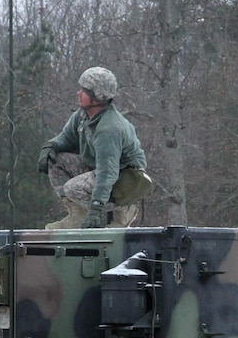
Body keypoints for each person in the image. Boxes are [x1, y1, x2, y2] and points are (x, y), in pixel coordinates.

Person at [37, 66, 152, 229]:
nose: (78, 93)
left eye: (84, 91)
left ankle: (124, 208)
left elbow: (107, 173)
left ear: (96, 97)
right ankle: (78, 215)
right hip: (101, 170)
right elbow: (67, 137)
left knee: (72, 188)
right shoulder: (83, 115)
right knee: (56, 160)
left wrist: (96, 211)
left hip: (126, 178)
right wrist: (50, 146)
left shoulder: (109, 128)